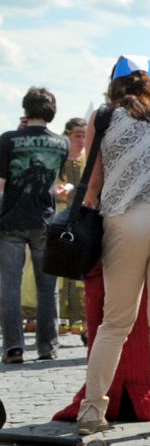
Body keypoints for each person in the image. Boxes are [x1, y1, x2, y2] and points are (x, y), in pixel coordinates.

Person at [76, 58, 150, 435]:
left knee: (115, 322)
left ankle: (93, 410)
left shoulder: (104, 116)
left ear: (115, 83)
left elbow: (93, 181)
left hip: (125, 219)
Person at [1, 86, 70, 363]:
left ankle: (14, 347)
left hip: (10, 220)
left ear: (25, 110)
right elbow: (57, 178)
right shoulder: (62, 143)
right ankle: (47, 346)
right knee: (47, 287)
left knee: (9, 286)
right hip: (45, 220)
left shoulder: (7, 140)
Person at [56, 116, 90, 342]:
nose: (81, 139)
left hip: (81, 216)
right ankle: (60, 318)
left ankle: (81, 319)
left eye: (84, 135)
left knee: (78, 268)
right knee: (59, 266)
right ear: (67, 135)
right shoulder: (59, 157)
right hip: (59, 214)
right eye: (77, 135)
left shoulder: (89, 158)